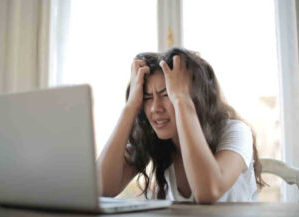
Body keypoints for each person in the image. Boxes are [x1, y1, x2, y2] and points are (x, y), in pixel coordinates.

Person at [97, 47, 264, 203]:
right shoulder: (156, 140)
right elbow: (101, 188)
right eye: (147, 98)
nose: (155, 107)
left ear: (195, 97)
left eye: (167, 94)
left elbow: (208, 191)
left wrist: (181, 99)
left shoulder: (236, 131)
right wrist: (131, 106)